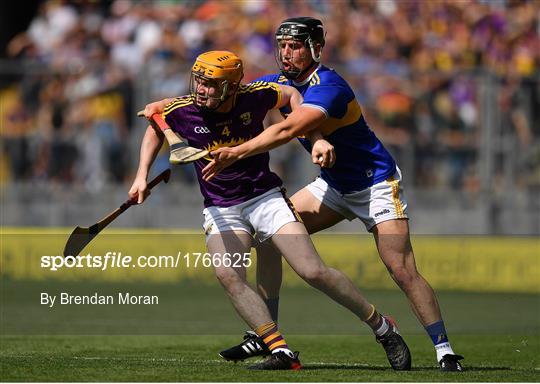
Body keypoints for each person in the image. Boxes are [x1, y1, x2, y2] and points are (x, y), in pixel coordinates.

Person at [202, 17, 464, 372]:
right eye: (282, 45)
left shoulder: (329, 84)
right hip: (332, 186)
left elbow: (292, 126)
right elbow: (226, 96)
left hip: (375, 185)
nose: (286, 52)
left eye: (294, 45)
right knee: (268, 236)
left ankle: (444, 349)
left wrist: (238, 151)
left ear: (315, 49)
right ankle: (264, 335)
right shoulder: (273, 83)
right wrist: (167, 109)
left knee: (401, 269)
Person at [134, 50, 411, 370]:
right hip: (222, 206)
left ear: (231, 87)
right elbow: (155, 122)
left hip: (265, 198)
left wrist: (316, 136)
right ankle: (280, 350)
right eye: (199, 81)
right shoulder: (184, 109)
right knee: (228, 274)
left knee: (312, 271)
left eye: (211, 84)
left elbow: (293, 94)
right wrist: (141, 176)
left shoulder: (255, 96)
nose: (202, 90)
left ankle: (382, 327)